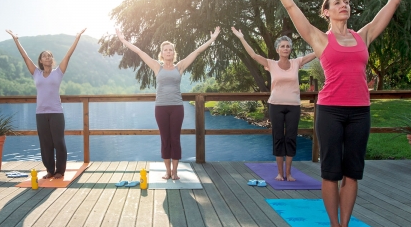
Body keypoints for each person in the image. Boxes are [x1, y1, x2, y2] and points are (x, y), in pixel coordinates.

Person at [262, 0, 411, 227]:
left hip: (360, 111)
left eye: (346, 1)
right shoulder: (319, 39)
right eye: (337, 2)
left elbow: (392, 3)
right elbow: (290, 5)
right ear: (327, 12)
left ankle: (347, 226)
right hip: (331, 111)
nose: (344, 4)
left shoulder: (364, 36)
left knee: (353, 172)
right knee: (331, 171)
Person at [116, 27, 221, 180]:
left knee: (175, 138)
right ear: (162, 53)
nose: (168, 52)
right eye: (166, 50)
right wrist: (123, 40)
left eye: (170, 50)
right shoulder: (156, 66)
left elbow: (197, 52)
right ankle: (167, 171)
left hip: (177, 108)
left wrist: (212, 40)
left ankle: (175, 172)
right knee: (165, 138)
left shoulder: (180, 67)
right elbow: (139, 52)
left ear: (173, 52)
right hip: (161, 108)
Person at [231, 27, 316, 181]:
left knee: (290, 138)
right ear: (277, 49)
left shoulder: (297, 62)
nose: (285, 48)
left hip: (293, 107)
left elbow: (317, 51)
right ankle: (279, 173)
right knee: (278, 137)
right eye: (282, 46)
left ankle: (288, 173)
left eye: (288, 46)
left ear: (291, 49)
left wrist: (328, 37)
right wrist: (241, 37)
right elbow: (253, 55)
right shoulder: (271, 64)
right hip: (275, 105)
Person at [6, 28, 87, 179]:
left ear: (52, 59)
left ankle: (60, 171)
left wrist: (77, 38)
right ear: (41, 61)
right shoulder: (36, 73)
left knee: (59, 142)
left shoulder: (58, 72)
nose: (47, 58)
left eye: (50, 56)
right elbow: (25, 57)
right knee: (45, 143)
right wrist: (16, 39)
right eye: (45, 56)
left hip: (56, 112)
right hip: (41, 113)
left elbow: (68, 55)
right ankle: (50, 170)